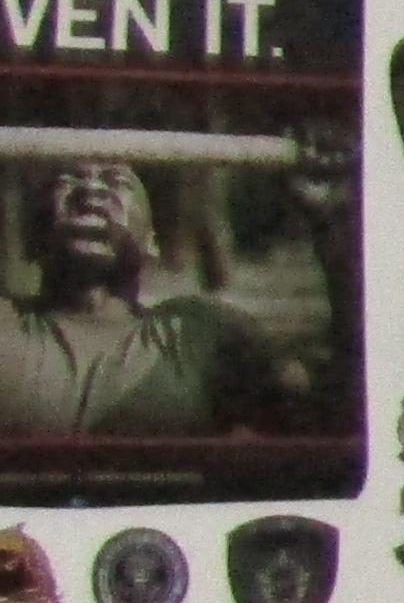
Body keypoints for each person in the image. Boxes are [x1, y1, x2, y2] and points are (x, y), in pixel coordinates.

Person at [0, 153, 300, 445]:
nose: (90, 190)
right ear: (33, 236)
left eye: (116, 182)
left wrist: (325, 226)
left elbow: (312, 418)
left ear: (151, 242)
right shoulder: (6, 325)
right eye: (69, 180)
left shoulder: (200, 331)